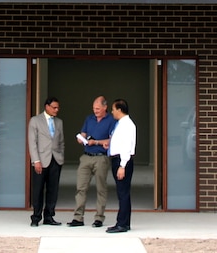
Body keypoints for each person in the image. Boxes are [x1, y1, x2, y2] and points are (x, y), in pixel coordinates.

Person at [68, 96, 116, 228]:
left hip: (101, 157)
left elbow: (112, 140)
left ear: (105, 107)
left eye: (98, 108)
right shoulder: (89, 118)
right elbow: (84, 133)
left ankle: (99, 218)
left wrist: (96, 142)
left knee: (101, 188)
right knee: (81, 187)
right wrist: (81, 137)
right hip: (86, 156)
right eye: (94, 108)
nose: (95, 111)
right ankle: (78, 218)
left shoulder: (111, 120)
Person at [27, 96, 65, 227]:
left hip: (56, 159)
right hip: (41, 160)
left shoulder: (59, 122)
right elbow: (32, 142)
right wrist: (36, 160)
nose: (56, 110)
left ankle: (49, 216)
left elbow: (61, 142)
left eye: (58, 107)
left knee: (53, 190)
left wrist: (61, 156)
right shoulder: (35, 121)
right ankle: (36, 217)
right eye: (54, 107)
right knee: (38, 190)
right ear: (47, 107)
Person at [106, 98, 136, 234]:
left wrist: (122, 165)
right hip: (117, 159)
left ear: (119, 109)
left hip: (122, 160)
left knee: (123, 192)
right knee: (122, 192)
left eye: (113, 109)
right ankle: (123, 222)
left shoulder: (127, 125)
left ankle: (122, 224)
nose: (112, 111)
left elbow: (126, 146)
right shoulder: (121, 124)